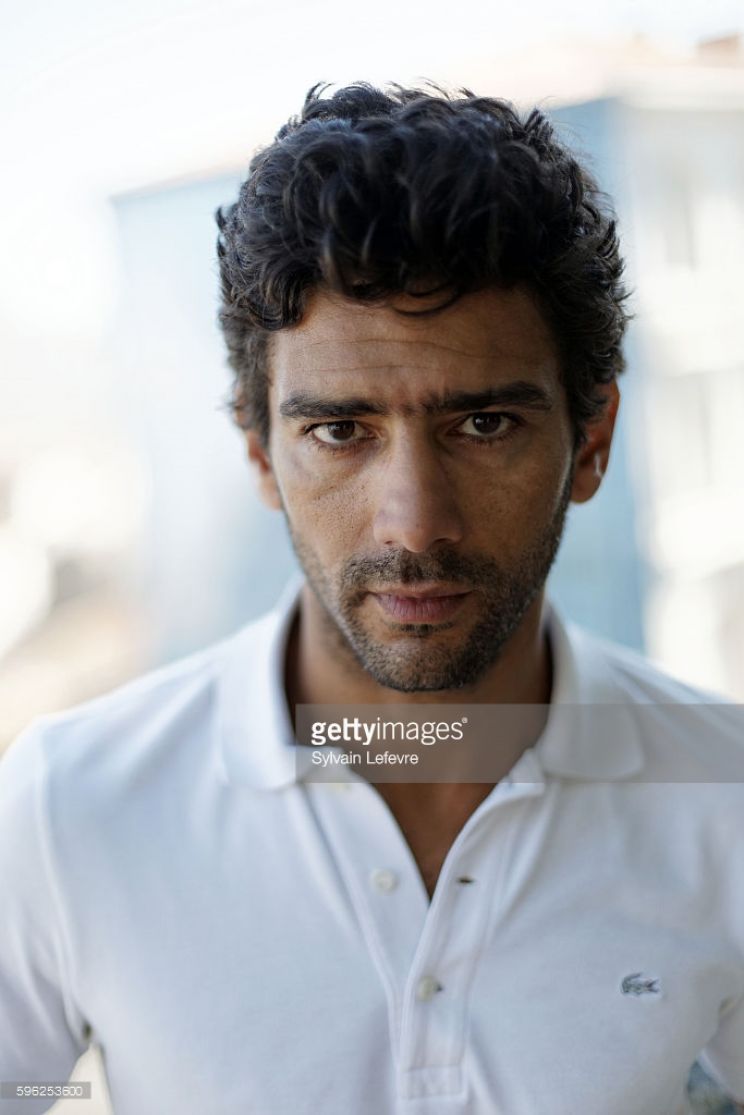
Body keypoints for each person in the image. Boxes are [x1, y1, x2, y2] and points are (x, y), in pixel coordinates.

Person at [1, 82, 743, 1115]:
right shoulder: (69, 802)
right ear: (260, 452)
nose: (414, 523)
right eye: (340, 431)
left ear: (592, 440)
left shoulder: (723, 792)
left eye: (483, 424)